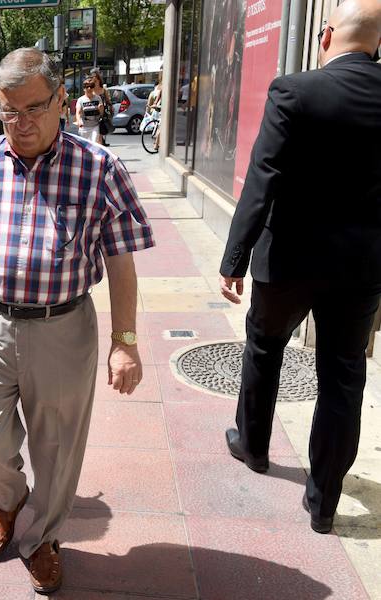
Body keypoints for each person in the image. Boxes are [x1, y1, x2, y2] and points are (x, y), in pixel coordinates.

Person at [0, 48, 154, 594]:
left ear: (62, 99)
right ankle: (8, 504)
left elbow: (121, 263)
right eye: (8, 111)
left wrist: (125, 342)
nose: (21, 123)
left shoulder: (99, 168)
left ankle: (40, 538)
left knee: (56, 450)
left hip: (64, 327)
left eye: (34, 108)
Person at [220, 0, 381, 536]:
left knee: (264, 345)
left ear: (326, 34)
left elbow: (262, 177)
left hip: (287, 258)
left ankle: (254, 445)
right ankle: (323, 501)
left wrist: (234, 258)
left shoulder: (295, 90)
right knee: (343, 375)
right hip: (361, 267)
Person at [74, 77, 103, 143]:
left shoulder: (98, 98)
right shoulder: (81, 100)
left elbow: (101, 113)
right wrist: (79, 121)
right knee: (84, 146)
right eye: (87, 87)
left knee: (94, 143)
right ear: (84, 89)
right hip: (84, 127)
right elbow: (78, 112)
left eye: (91, 86)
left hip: (95, 126)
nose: (89, 88)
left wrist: (101, 108)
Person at [90, 70, 112, 146]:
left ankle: (101, 143)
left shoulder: (103, 90)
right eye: (92, 79)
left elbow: (108, 101)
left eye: (95, 79)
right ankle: (99, 142)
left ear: (99, 79)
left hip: (102, 112)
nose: (94, 81)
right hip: (92, 112)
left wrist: (110, 108)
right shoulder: (91, 90)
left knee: (100, 128)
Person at [145, 76, 163, 151]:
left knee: (159, 126)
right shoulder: (163, 87)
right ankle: (156, 144)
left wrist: (154, 104)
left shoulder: (160, 87)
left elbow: (157, 99)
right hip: (162, 108)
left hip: (158, 108)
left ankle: (157, 143)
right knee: (161, 127)